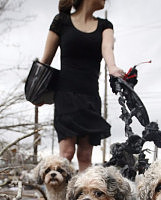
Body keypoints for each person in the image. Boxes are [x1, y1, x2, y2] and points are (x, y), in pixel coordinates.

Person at [40, 0, 125, 172]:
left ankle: (84, 198)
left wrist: (113, 67)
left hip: (90, 97)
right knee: (67, 152)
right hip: (65, 96)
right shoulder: (61, 21)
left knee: (85, 156)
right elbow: (45, 61)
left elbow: (107, 48)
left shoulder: (105, 26)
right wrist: (37, 90)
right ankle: (58, 198)